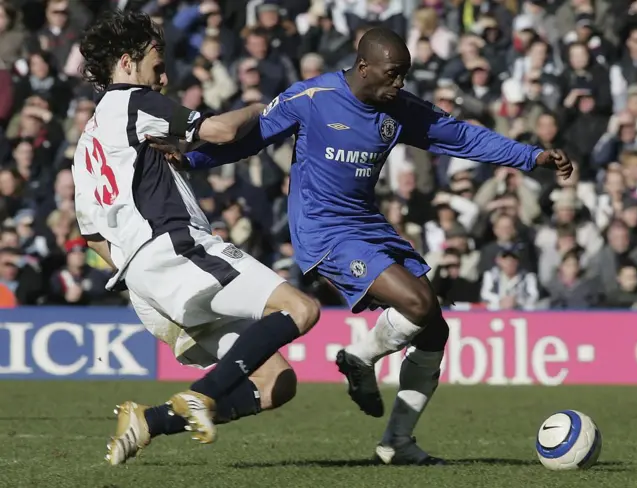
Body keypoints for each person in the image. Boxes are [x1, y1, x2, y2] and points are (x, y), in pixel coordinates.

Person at [150, 27, 572, 465]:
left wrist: (531, 157)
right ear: (364, 66)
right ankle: (358, 356)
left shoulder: (399, 109)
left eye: (404, 75)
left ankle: (397, 443)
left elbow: (462, 136)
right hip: (323, 231)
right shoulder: (312, 98)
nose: (400, 84)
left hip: (368, 225)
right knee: (419, 303)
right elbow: (252, 139)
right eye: (393, 75)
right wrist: (193, 159)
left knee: (435, 331)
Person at [72, 10, 320, 466]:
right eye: (157, 65)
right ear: (127, 63)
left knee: (276, 383)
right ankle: (199, 396)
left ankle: (149, 420)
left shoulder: (86, 145)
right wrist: (269, 107)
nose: (163, 78)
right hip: (177, 248)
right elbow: (223, 131)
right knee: (302, 309)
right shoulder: (133, 101)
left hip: (144, 282)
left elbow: (92, 238)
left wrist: (147, 277)